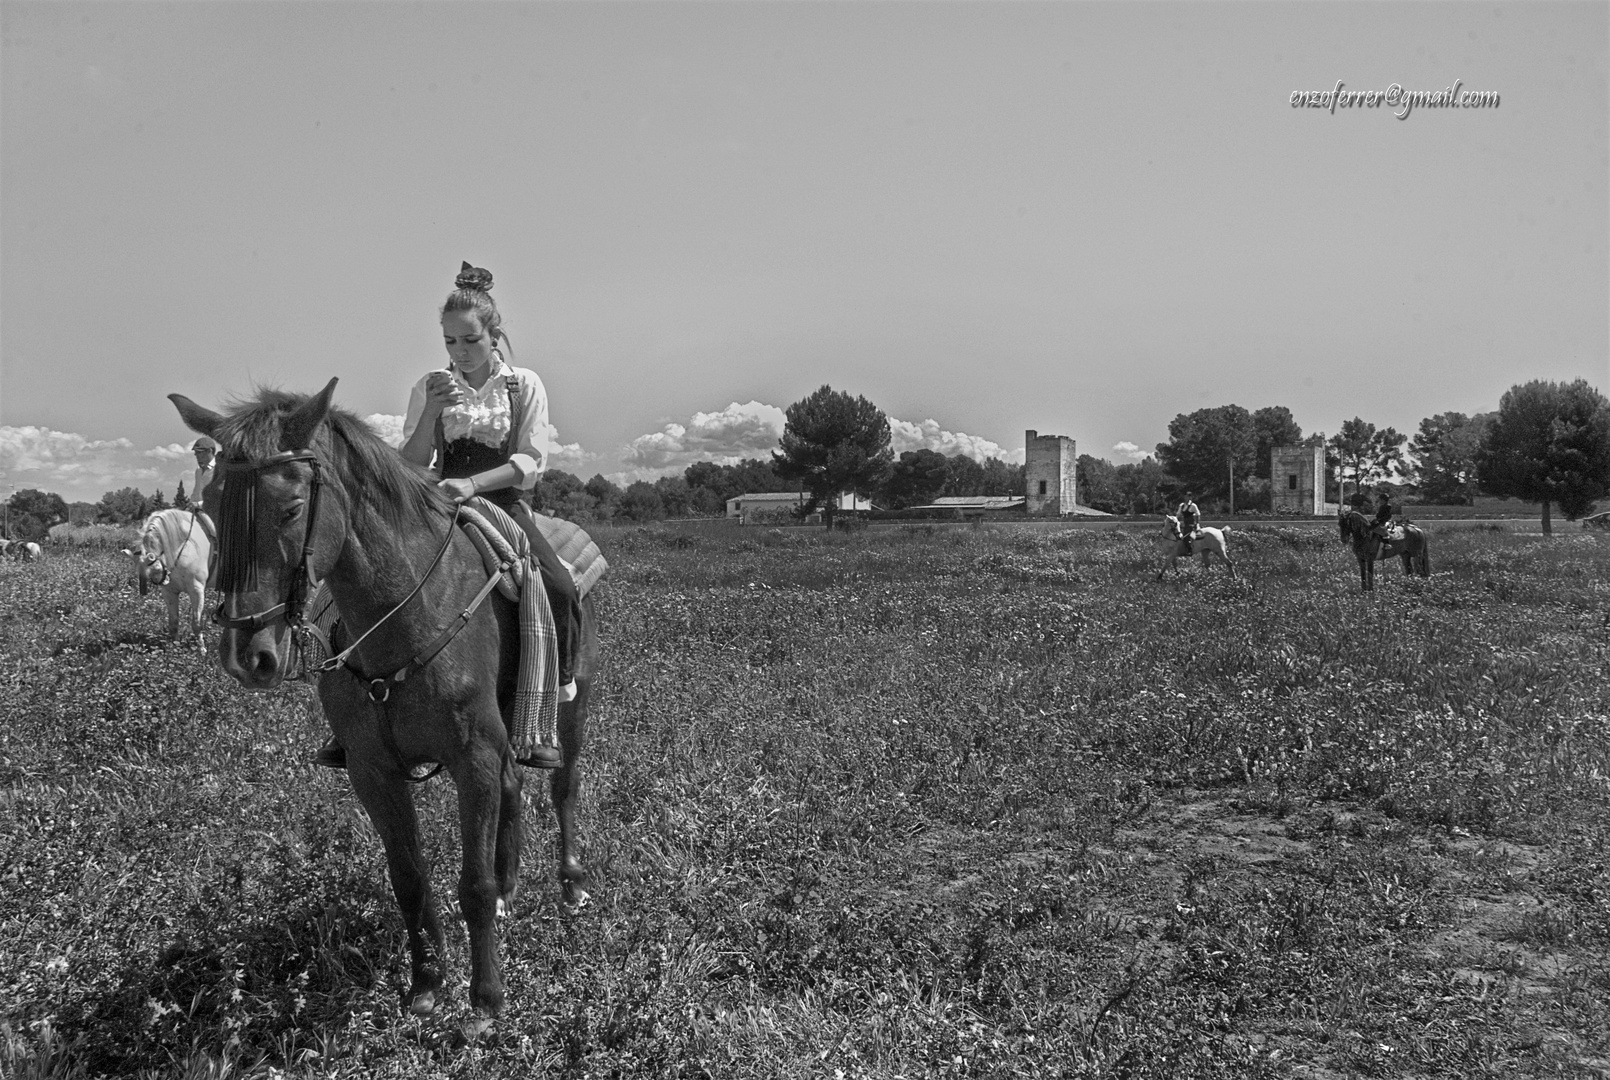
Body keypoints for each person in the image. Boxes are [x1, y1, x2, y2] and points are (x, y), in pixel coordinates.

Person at [315, 262, 578, 771]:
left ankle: (550, 697)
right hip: (435, 496)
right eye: (449, 341)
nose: (459, 351)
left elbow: (530, 462)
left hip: (502, 500)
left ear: (494, 335)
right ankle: (346, 717)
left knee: (557, 585)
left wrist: (473, 484)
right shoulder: (430, 386)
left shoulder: (523, 385)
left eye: (470, 340)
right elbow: (411, 463)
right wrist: (432, 413)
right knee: (340, 584)